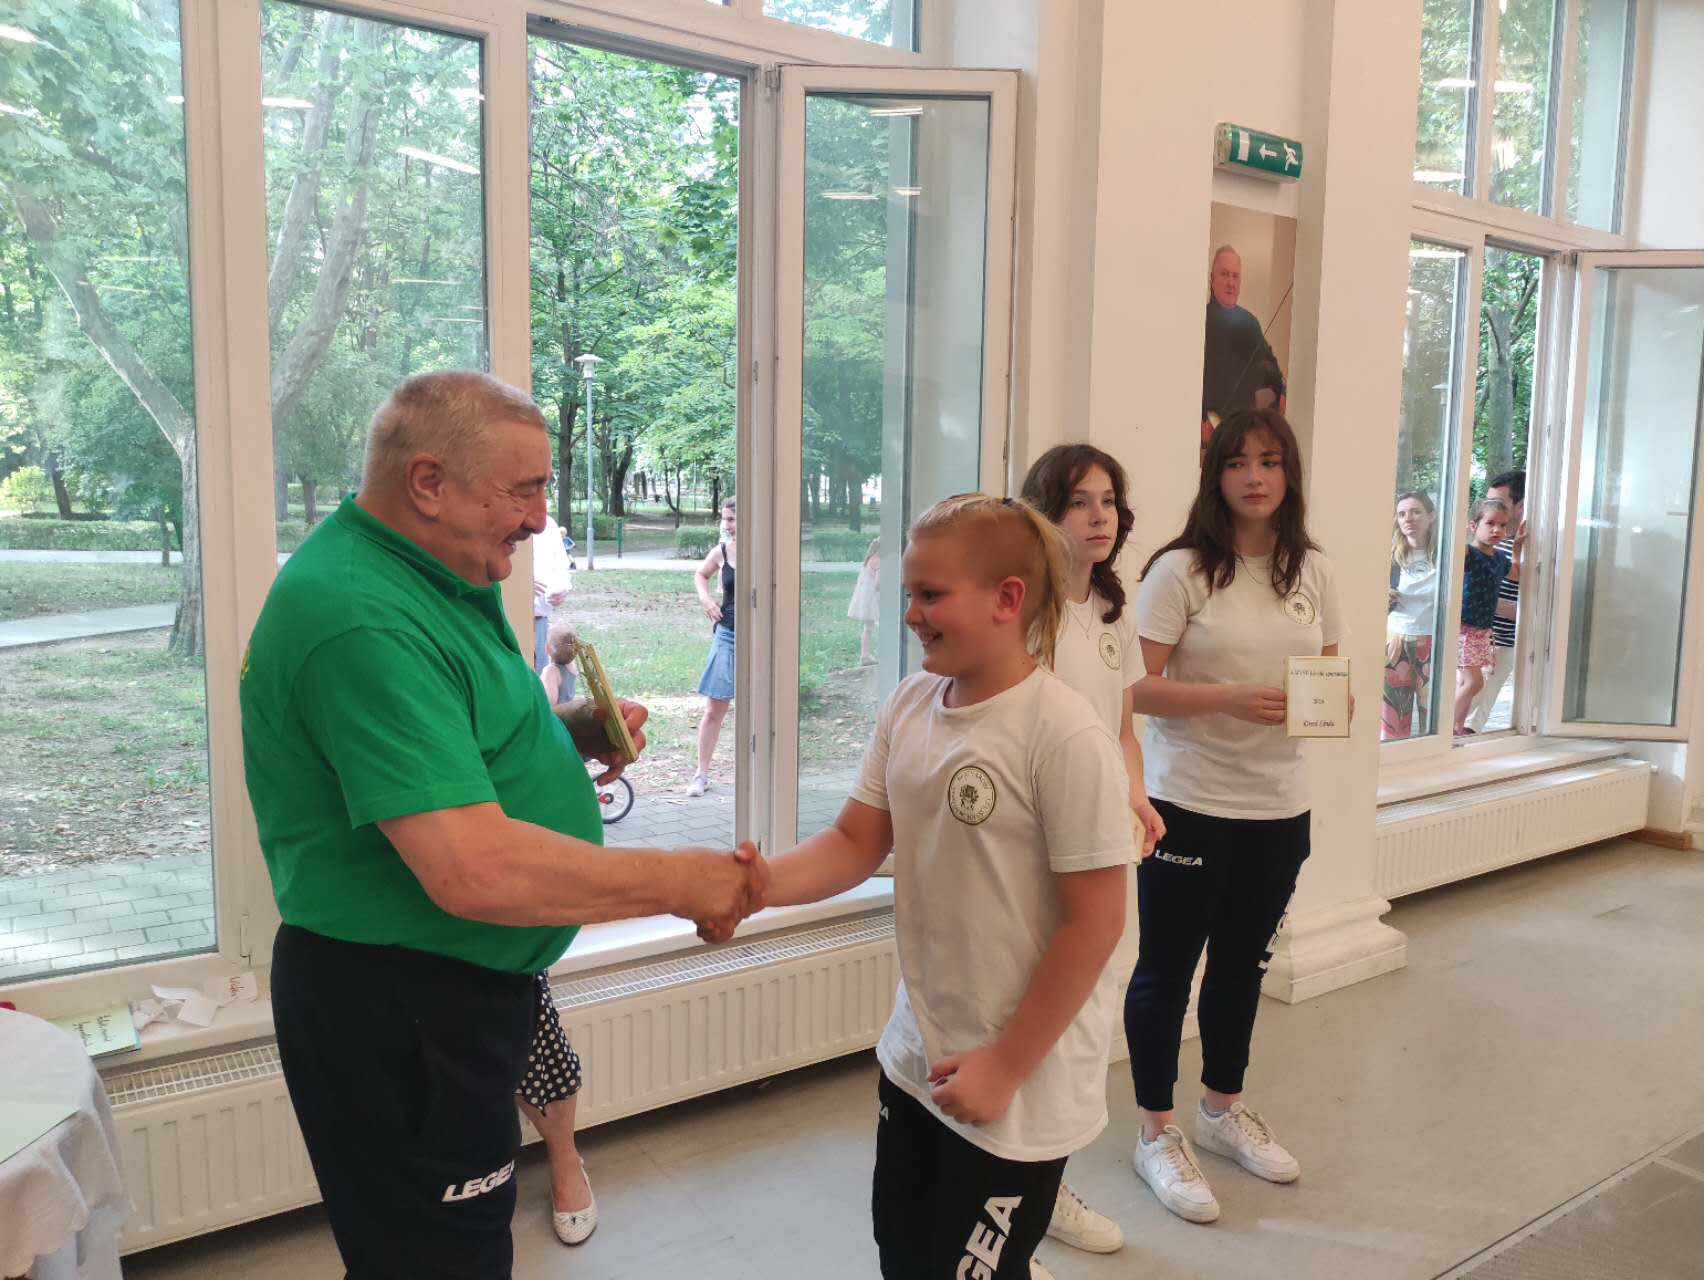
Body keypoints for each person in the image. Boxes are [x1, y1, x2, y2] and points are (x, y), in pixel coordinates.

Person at [240, 371, 768, 1280]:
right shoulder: (360, 618)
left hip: (459, 984)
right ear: (428, 482)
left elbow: (445, 741)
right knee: (437, 1258)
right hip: (402, 1001)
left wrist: (566, 737)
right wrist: (685, 880)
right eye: (522, 490)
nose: (539, 517)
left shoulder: (434, 568)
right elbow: (472, 869)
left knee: (465, 1242)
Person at [705, 494, 1135, 1280]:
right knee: (903, 1252)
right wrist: (760, 886)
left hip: (1020, 1081)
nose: (909, 614)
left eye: (930, 595)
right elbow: (854, 843)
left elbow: (1097, 924)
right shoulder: (910, 705)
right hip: (917, 1058)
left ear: (1008, 598)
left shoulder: (1065, 735)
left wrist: (1005, 1064)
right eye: (908, 593)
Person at [1126, 408, 1344, 1225]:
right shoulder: (1180, 570)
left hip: (1280, 805)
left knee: (1243, 966)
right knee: (1167, 969)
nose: (1255, 476)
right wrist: (1225, 698)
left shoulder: (1312, 570)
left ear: (1290, 475)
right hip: (1188, 803)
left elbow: (1330, 680)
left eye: (1270, 461)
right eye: (1238, 462)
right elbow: (1132, 689)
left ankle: (1221, 1110)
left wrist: (1328, 705)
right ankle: (1156, 1133)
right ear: (1215, 475)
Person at [1019, 444, 1165, 1257]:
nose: (1098, 516)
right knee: (1037, 1017)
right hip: (1042, 849)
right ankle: (1010, 1200)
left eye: (1107, 500)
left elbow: (1122, 728)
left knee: (1085, 1027)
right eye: (1079, 501)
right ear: (1045, 513)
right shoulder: (1026, 612)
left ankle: (1044, 1186)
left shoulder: (1112, 608)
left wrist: (1137, 797)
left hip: (1107, 843)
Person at [1201, 245, 1287, 446]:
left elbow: (1270, 366)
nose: (1231, 283)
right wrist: (1200, 420)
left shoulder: (1249, 323)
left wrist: (1282, 392)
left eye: (1235, 276)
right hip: (1208, 433)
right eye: (1224, 274)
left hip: (1243, 433)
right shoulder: (1201, 319)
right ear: (1212, 279)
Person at [1453, 496, 1519, 736]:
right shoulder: (1469, 554)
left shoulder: (1499, 559)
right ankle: (1444, 727)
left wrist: (1518, 547)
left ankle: (1456, 730)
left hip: (1482, 631)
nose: (1497, 530)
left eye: (1502, 525)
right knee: (1474, 682)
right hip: (1464, 628)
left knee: (1466, 683)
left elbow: (1517, 573)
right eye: (1490, 523)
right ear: (1474, 526)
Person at [1468, 470, 1525, 731]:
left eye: (1499, 502)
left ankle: (1460, 740)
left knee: (1474, 705)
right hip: (1476, 635)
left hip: (1502, 642)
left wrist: (1493, 604)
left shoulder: (1531, 549)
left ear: (1520, 506)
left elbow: (1539, 605)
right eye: (1489, 501)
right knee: (1465, 694)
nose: (1493, 508)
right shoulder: (1487, 545)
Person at [689, 496, 738, 797]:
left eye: (731, 518)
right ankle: (701, 775)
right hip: (728, 634)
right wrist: (705, 599)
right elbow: (700, 574)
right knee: (713, 709)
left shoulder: (767, 549)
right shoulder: (722, 551)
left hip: (760, 639)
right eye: (725, 518)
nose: (726, 524)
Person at [1383, 491, 1439, 741]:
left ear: (1431, 516)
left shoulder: (1446, 556)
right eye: (1402, 514)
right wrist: (1382, 597)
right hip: (1396, 642)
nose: (1409, 519)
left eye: (1416, 512)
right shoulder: (1389, 556)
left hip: (1434, 642)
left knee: (1433, 719)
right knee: (1394, 718)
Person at [531, 510, 573, 674]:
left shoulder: (548, 525)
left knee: (540, 677)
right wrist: (519, 584)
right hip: (508, 620)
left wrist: (562, 589)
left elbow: (561, 568)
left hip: (539, 619)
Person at [848, 535, 881, 666]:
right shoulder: (879, 561)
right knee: (882, 625)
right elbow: (878, 584)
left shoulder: (869, 559)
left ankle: (864, 655)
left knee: (868, 627)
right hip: (873, 599)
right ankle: (877, 653)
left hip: (866, 599)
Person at [539, 621, 578, 707]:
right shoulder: (571, 665)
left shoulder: (550, 671)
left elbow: (549, 703)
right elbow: (568, 648)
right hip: (568, 711)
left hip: (558, 714)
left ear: (547, 648)